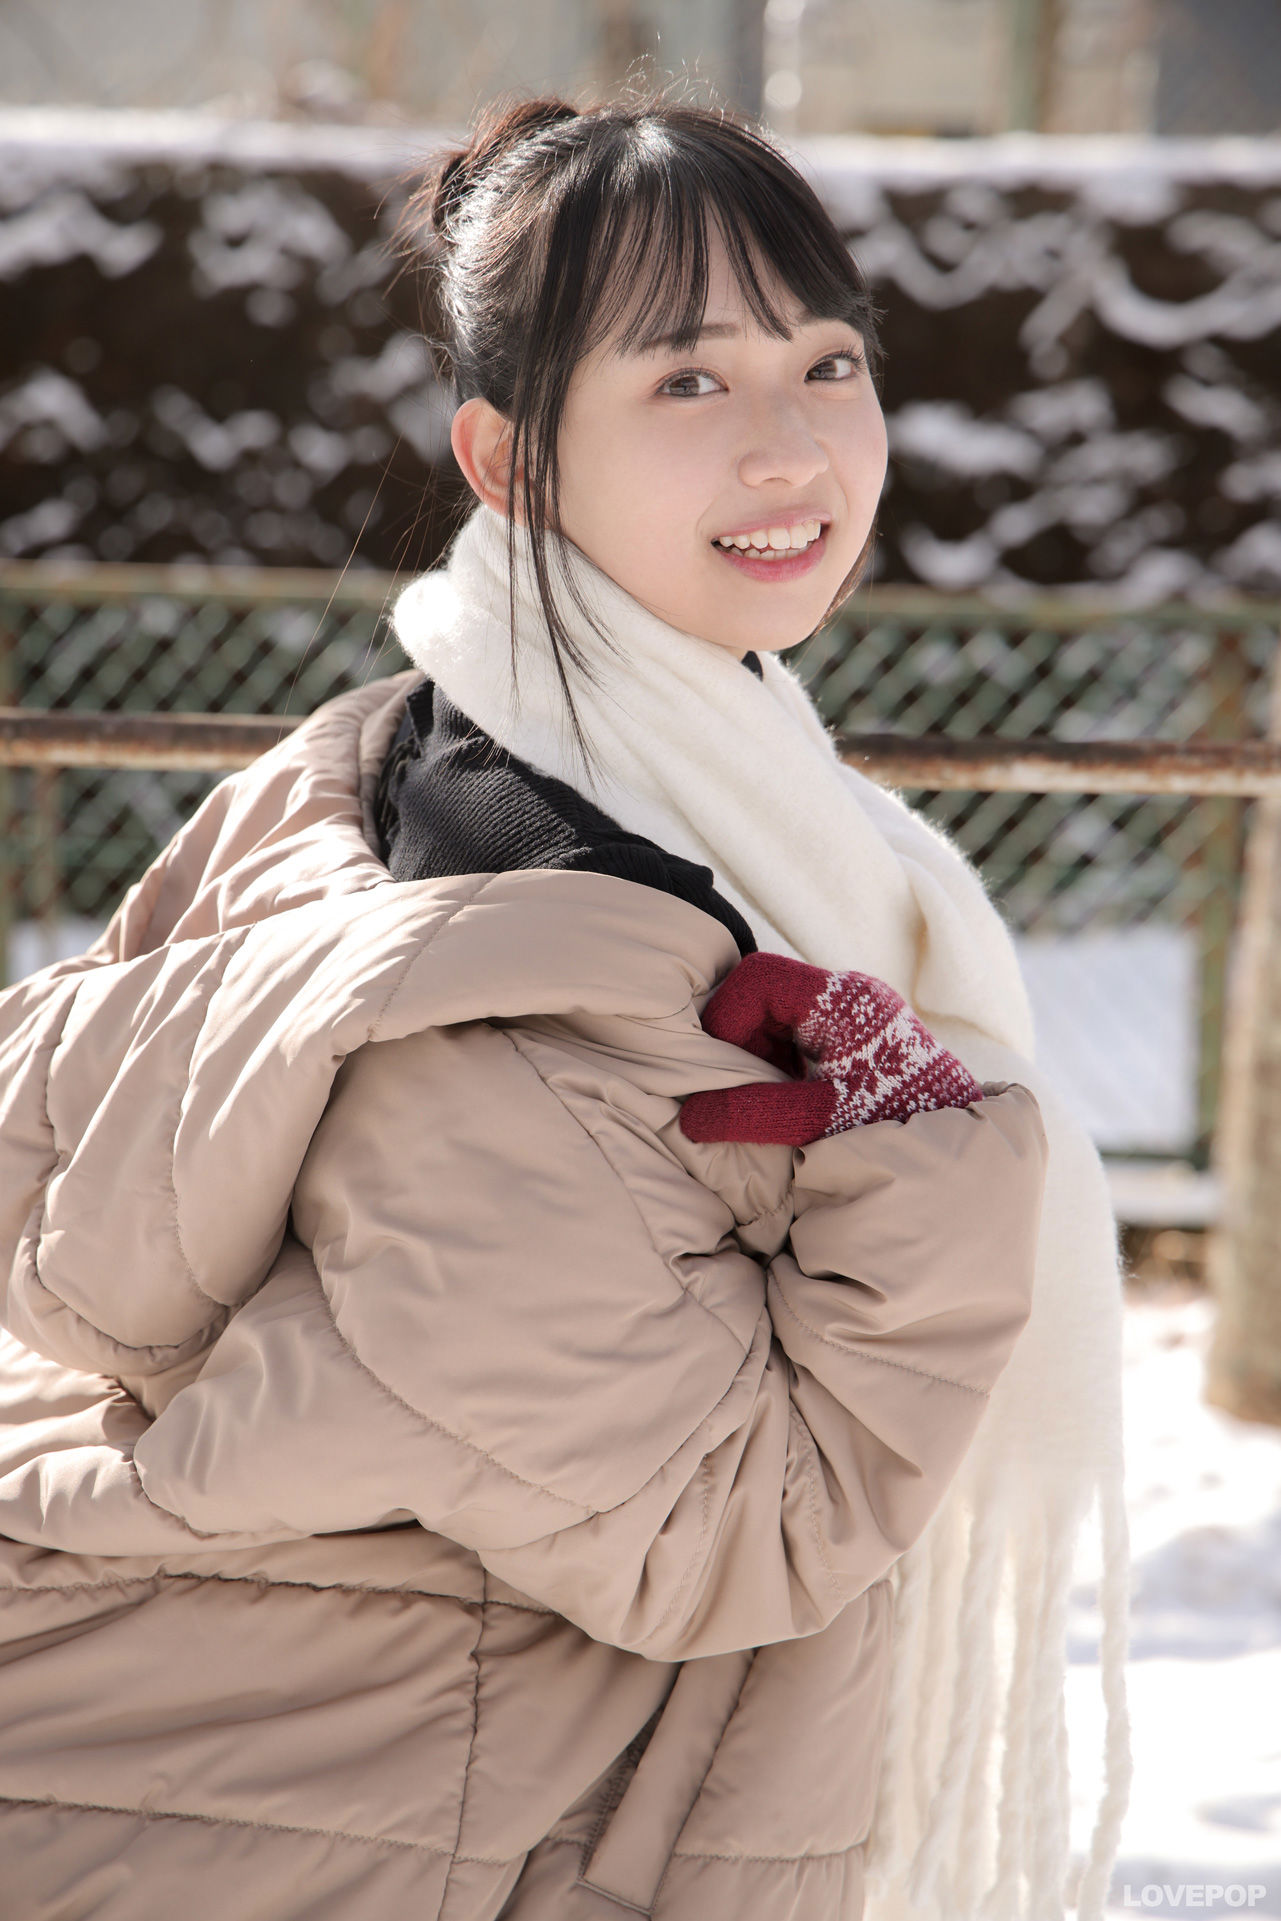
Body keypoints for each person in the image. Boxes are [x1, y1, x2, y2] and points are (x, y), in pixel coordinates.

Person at [0, 91, 1129, 1921]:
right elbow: (725, 1532)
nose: (790, 447)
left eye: (825, 362)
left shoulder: (491, 746)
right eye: (686, 380)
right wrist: (928, 1161)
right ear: (509, 461)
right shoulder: (528, 949)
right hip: (403, 1821)